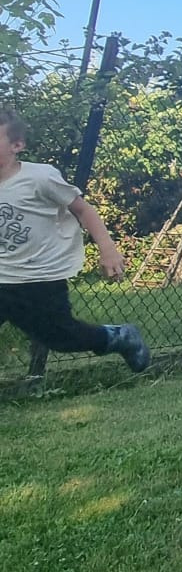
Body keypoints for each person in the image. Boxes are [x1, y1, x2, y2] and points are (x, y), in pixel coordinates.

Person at [0, 110, 150, 376]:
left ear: (17, 145)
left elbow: (83, 210)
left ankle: (117, 337)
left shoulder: (39, 178)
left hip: (38, 277)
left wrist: (108, 249)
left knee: (62, 337)